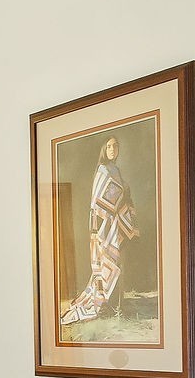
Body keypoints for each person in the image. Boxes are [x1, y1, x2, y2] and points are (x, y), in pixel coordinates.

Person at [60, 134, 139, 327]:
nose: (113, 149)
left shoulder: (117, 170)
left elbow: (121, 195)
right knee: (105, 264)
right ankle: (104, 303)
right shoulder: (102, 170)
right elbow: (98, 201)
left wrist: (125, 200)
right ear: (104, 149)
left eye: (116, 146)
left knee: (117, 264)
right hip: (103, 225)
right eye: (110, 146)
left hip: (116, 225)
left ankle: (114, 304)